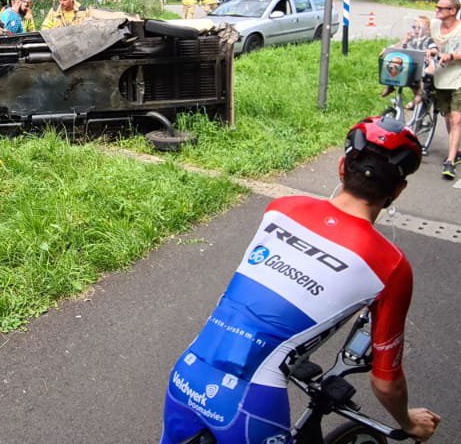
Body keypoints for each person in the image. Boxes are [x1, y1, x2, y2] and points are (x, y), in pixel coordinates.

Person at [160, 117, 441, 444]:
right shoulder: (391, 266)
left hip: (188, 372)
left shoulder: (281, 209)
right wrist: (408, 423)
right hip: (250, 402)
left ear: (341, 167)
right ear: (398, 189)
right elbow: (386, 383)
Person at [427, 0, 461, 180]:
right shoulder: (434, 25)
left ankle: (449, 162)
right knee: (448, 118)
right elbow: (427, 41)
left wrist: (453, 56)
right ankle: (457, 150)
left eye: (442, 8)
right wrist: (432, 50)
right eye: (437, 7)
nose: (437, 10)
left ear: (452, 11)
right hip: (441, 79)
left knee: (456, 119)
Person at [381, 15, 435, 105]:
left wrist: (430, 51)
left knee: (420, 81)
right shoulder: (411, 39)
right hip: (410, 64)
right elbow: (400, 47)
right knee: (393, 65)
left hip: (421, 64)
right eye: (414, 27)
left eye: (419, 28)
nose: (416, 30)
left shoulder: (428, 40)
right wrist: (403, 41)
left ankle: (418, 97)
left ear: (427, 30)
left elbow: (434, 49)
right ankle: (390, 85)